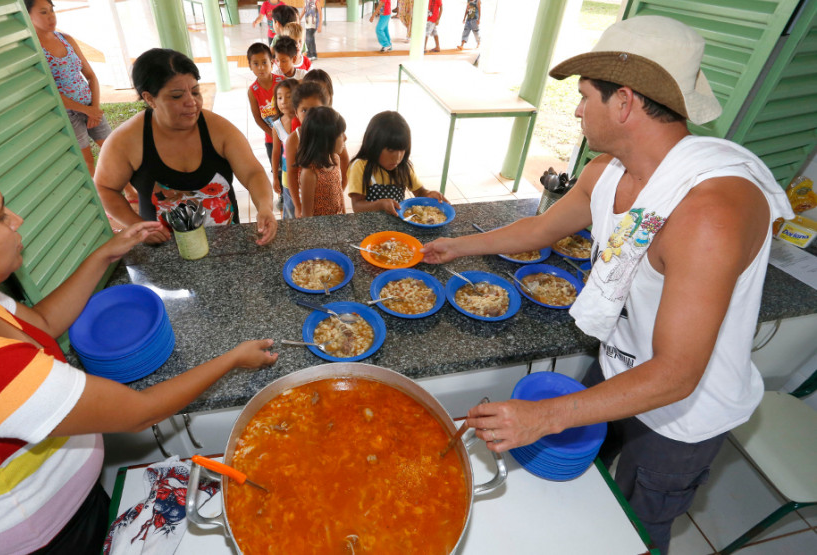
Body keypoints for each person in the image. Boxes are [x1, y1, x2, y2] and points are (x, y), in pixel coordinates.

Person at [420, 16, 794, 554]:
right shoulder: (609, 171)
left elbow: (677, 373)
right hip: (620, 367)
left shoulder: (709, 212)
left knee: (639, 529)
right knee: (588, 490)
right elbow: (541, 229)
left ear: (623, 102)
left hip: (681, 415)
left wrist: (547, 415)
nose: (576, 110)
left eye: (583, 96)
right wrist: (456, 246)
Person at [0, 144, 278, 553]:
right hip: (49, 542)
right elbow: (141, 411)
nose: (16, 220)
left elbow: (41, 324)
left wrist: (106, 254)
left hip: (71, 508)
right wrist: (233, 358)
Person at [95, 48, 277, 246]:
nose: (191, 102)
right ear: (150, 98)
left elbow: (252, 173)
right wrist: (138, 226)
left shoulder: (219, 129)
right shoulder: (127, 140)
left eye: (195, 92)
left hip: (226, 243)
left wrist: (264, 207)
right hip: (164, 247)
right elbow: (104, 188)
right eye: (176, 96)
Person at [25, 0, 110, 178]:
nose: (51, 17)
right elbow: (48, 91)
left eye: (51, 10)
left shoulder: (66, 39)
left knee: (112, 149)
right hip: (67, 113)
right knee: (87, 161)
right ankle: (99, 195)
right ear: (28, 15)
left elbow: (91, 76)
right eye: (43, 12)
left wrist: (94, 108)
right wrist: (85, 110)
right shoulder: (33, 50)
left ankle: (130, 190)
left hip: (90, 105)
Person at [347, 111, 447, 216]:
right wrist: (380, 205)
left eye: (402, 150)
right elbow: (357, 206)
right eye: (391, 150)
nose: (398, 157)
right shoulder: (360, 167)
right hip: (370, 224)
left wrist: (428, 194)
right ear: (374, 145)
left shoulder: (403, 167)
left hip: (397, 221)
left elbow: (420, 192)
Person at [294, 106, 347, 217]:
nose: (345, 138)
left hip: (337, 221)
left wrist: (344, 216)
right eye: (341, 134)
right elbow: (307, 216)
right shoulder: (309, 173)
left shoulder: (335, 159)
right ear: (326, 139)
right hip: (319, 226)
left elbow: (339, 193)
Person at [246, 42, 284, 182]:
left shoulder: (282, 82)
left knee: (292, 167)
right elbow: (257, 118)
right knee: (278, 170)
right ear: (250, 66)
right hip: (271, 140)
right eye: (255, 64)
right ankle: (281, 191)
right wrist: (273, 135)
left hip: (289, 136)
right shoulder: (252, 91)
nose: (261, 67)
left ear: (272, 63)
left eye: (264, 62)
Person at [271, 79, 299, 219]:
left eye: (289, 96)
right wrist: (275, 177)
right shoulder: (277, 125)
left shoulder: (304, 120)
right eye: (280, 97)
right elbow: (276, 152)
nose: (283, 101)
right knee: (290, 207)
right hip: (287, 173)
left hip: (306, 171)